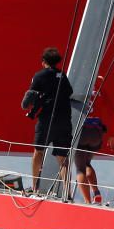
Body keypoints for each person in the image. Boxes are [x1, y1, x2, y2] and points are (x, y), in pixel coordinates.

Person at [22, 47, 73, 192]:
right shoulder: (62, 75)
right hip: (64, 120)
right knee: (62, 156)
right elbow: (70, 91)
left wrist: (27, 106)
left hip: (46, 120)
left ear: (43, 61)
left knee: (38, 151)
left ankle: (34, 187)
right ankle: (67, 191)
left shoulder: (38, 76)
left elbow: (30, 96)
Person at [74, 81, 114, 204]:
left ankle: (88, 202)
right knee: (87, 163)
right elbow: (112, 111)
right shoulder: (99, 85)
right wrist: (113, 135)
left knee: (80, 169)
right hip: (96, 132)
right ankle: (96, 193)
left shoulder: (75, 83)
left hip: (82, 131)